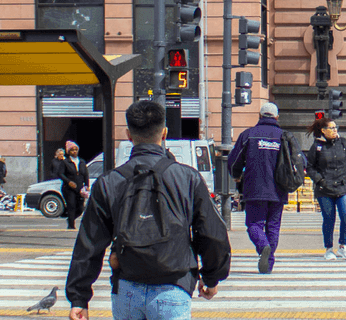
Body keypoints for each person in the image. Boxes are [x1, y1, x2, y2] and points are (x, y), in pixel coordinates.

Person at [65, 99, 230, 320]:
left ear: (128, 135)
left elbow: (89, 242)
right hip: (173, 286)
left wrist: (79, 298)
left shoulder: (109, 182)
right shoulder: (187, 178)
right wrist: (210, 278)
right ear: (164, 133)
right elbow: (211, 233)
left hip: (126, 287)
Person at [229, 101, 289, 274]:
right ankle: (268, 264)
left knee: (254, 224)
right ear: (277, 117)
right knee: (273, 226)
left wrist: (236, 175)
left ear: (260, 116)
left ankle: (263, 247)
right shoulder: (284, 136)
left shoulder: (248, 135)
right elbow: (300, 162)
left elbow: (235, 160)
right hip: (279, 189)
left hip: (254, 188)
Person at [305, 115, 346, 261]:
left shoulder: (344, 143)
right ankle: (329, 249)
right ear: (323, 130)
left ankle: (343, 246)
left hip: (343, 186)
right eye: (332, 128)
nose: (335, 130)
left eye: (336, 127)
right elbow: (309, 167)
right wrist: (320, 180)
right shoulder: (317, 146)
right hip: (325, 189)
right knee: (329, 219)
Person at [59, 142, 88, 230]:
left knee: (80, 208)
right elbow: (60, 174)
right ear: (69, 152)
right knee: (71, 206)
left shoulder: (82, 161)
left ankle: (70, 219)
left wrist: (87, 185)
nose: (74, 152)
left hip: (79, 188)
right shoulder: (65, 162)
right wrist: (68, 182)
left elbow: (86, 174)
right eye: (72, 150)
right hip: (69, 189)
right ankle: (71, 225)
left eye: (76, 150)